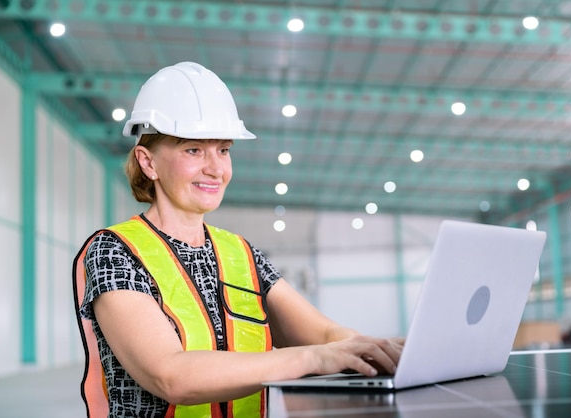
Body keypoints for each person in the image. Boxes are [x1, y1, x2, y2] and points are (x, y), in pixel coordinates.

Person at [73, 62, 403, 418]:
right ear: (148, 162)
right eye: (193, 150)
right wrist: (311, 358)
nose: (216, 168)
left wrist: (372, 348)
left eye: (224, 150)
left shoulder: (241, 253)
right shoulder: (115, 251)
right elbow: (169, 375)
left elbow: (322, 333)